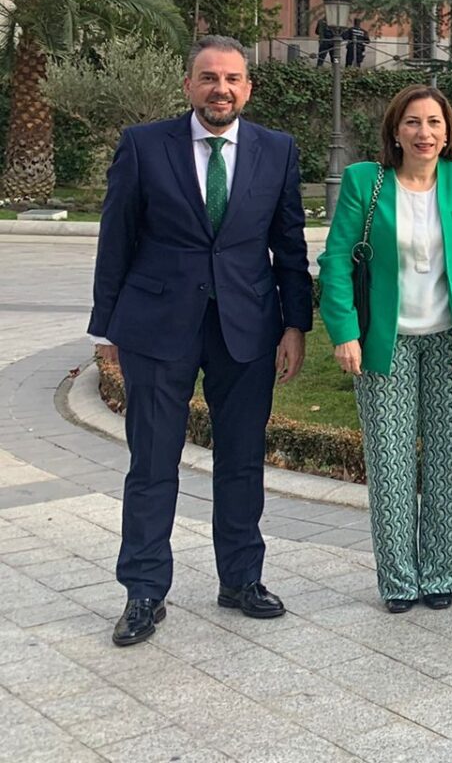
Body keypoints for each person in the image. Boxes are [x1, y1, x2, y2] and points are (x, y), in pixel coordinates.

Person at [91, 36, 311, 647]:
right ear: (188, 86)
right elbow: (116, 237)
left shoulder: (277, 149)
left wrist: (296, 324)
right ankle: (143, 591)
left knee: (241, 460)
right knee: (153, 461)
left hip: (247, 327)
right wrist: (106, 326)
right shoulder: (143, 145)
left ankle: (241, 579)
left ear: (248, 87)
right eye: (209, 78)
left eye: (233, 79)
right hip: (156, 327)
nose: (222, 89)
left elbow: (289, 246)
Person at [319, 86, 452, 613]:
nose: (424, 133)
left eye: (434, 123)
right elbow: (337, 260)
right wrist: (344, 330)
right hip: (383, 345)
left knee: (449, 463)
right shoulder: (365, 182)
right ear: (395, 131)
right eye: (413, 123)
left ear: (447, 132)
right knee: (390, 465)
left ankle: (440, 575)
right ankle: (398, 580)